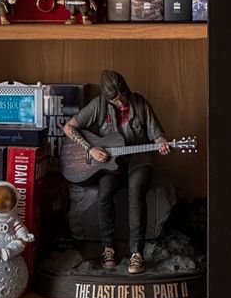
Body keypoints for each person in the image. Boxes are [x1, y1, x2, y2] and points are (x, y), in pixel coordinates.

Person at [63, 70, 169, 275]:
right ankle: (108, 248)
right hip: (110, 162)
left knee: (136, 192)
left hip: (139, 160)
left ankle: (136, 253)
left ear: (127, 90)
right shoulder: (99, 105)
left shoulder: (140, 103)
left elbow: (157, 136)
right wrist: (90, 149)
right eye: (114, 101)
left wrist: (162, 143)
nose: (120, 104)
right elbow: (69, 128)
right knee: (104, 194)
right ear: (106, 97)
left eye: (122, 98)